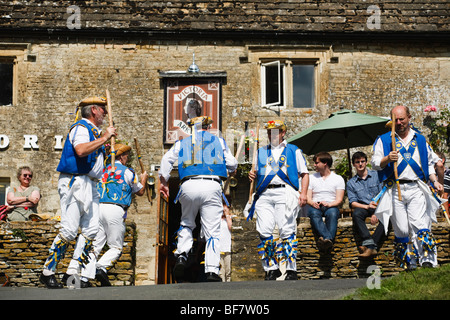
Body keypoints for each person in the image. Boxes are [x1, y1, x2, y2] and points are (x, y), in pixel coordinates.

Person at [40, 96, 116, 289]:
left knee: (91, 230)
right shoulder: (81, 128)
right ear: (93, 111)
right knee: (69, 230)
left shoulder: (94, 132)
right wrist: (105, 138)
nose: (105, 113)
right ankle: (47, 272)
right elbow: (81, 150)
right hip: (75, 182)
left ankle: (72, 273)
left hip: (91, 184)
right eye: (102, 109)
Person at [159, 116, 238, 282]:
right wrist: (232, 168)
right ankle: (211, 270)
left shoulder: (182, 143)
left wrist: (164, 182)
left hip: (189, 184)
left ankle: (181, 254)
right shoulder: (219, 142)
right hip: (212, 184)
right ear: (208, 127)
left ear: (191, 128)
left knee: (187, 222)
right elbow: (232, 163)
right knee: (212, 230)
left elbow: (166, 160)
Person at [371, 105, 442, 269]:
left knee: (419, 224)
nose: (399, 122)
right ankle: (408, 260)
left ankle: (428, 261)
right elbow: (375, 163)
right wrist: (387, 158)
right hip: (396, 189)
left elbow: (429, 163)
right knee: (402, 228)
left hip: (416, 187)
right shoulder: (384, 140)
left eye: (402, 119)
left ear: (409, 117)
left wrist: (434, 180)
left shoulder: (420, 139)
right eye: (395, 120)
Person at [248, 120, 309, 281]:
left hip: (285, 191)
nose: (271, 135)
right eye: (269, 132)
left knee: (287, 230)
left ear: (283, 133)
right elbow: (257, 172)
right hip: (264, 193)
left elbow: (305, 174)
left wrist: (303, 194)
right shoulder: (260, 152)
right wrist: (252, 175)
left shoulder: (294, 150)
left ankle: (291, 269)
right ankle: (272, 268)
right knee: (264, 231)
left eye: (275, 132)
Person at [80, 143, 148, 286]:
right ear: (121, 157)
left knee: (96, 245)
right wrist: (144, 178)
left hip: (98, 208)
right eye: (126, 156)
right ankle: (101, 267)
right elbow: (140, 191)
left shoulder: (102, 171)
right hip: (115, 209)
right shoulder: (127, 172)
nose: (127, 158)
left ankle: (84, 278)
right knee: (116, 247)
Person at [347, 151, 386, 258]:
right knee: (356, 214)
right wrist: (367, 206)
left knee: (388, 218)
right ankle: (370, 243)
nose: (360, 164)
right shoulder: (351, 183)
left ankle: (370, 246)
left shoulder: (376, 175)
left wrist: (377, 213)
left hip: (379, 205)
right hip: (364, 207)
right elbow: (353, 202)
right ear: (353, 164)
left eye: (362, 161)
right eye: (357, 162)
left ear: (366, 162)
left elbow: (384, 194)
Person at [307, 152, 345, 254]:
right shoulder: (311, 178)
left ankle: (326, 241)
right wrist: (312, 203)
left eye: (317, 162)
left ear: (325, 163)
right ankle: (328, 239)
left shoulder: (338, 179)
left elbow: (339, 200)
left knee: (332, 214)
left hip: (330, 205)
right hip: (316, 205)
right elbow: (308, 197)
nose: (314, 165)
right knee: (314, 214)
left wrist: (329, 204)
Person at [219, 204, 232, 282]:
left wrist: (227, 214)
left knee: (228, 270)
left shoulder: (229, 218)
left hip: (227, 247)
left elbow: (230, 227)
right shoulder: (217, 219)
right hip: (219, 248)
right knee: (221, 271)